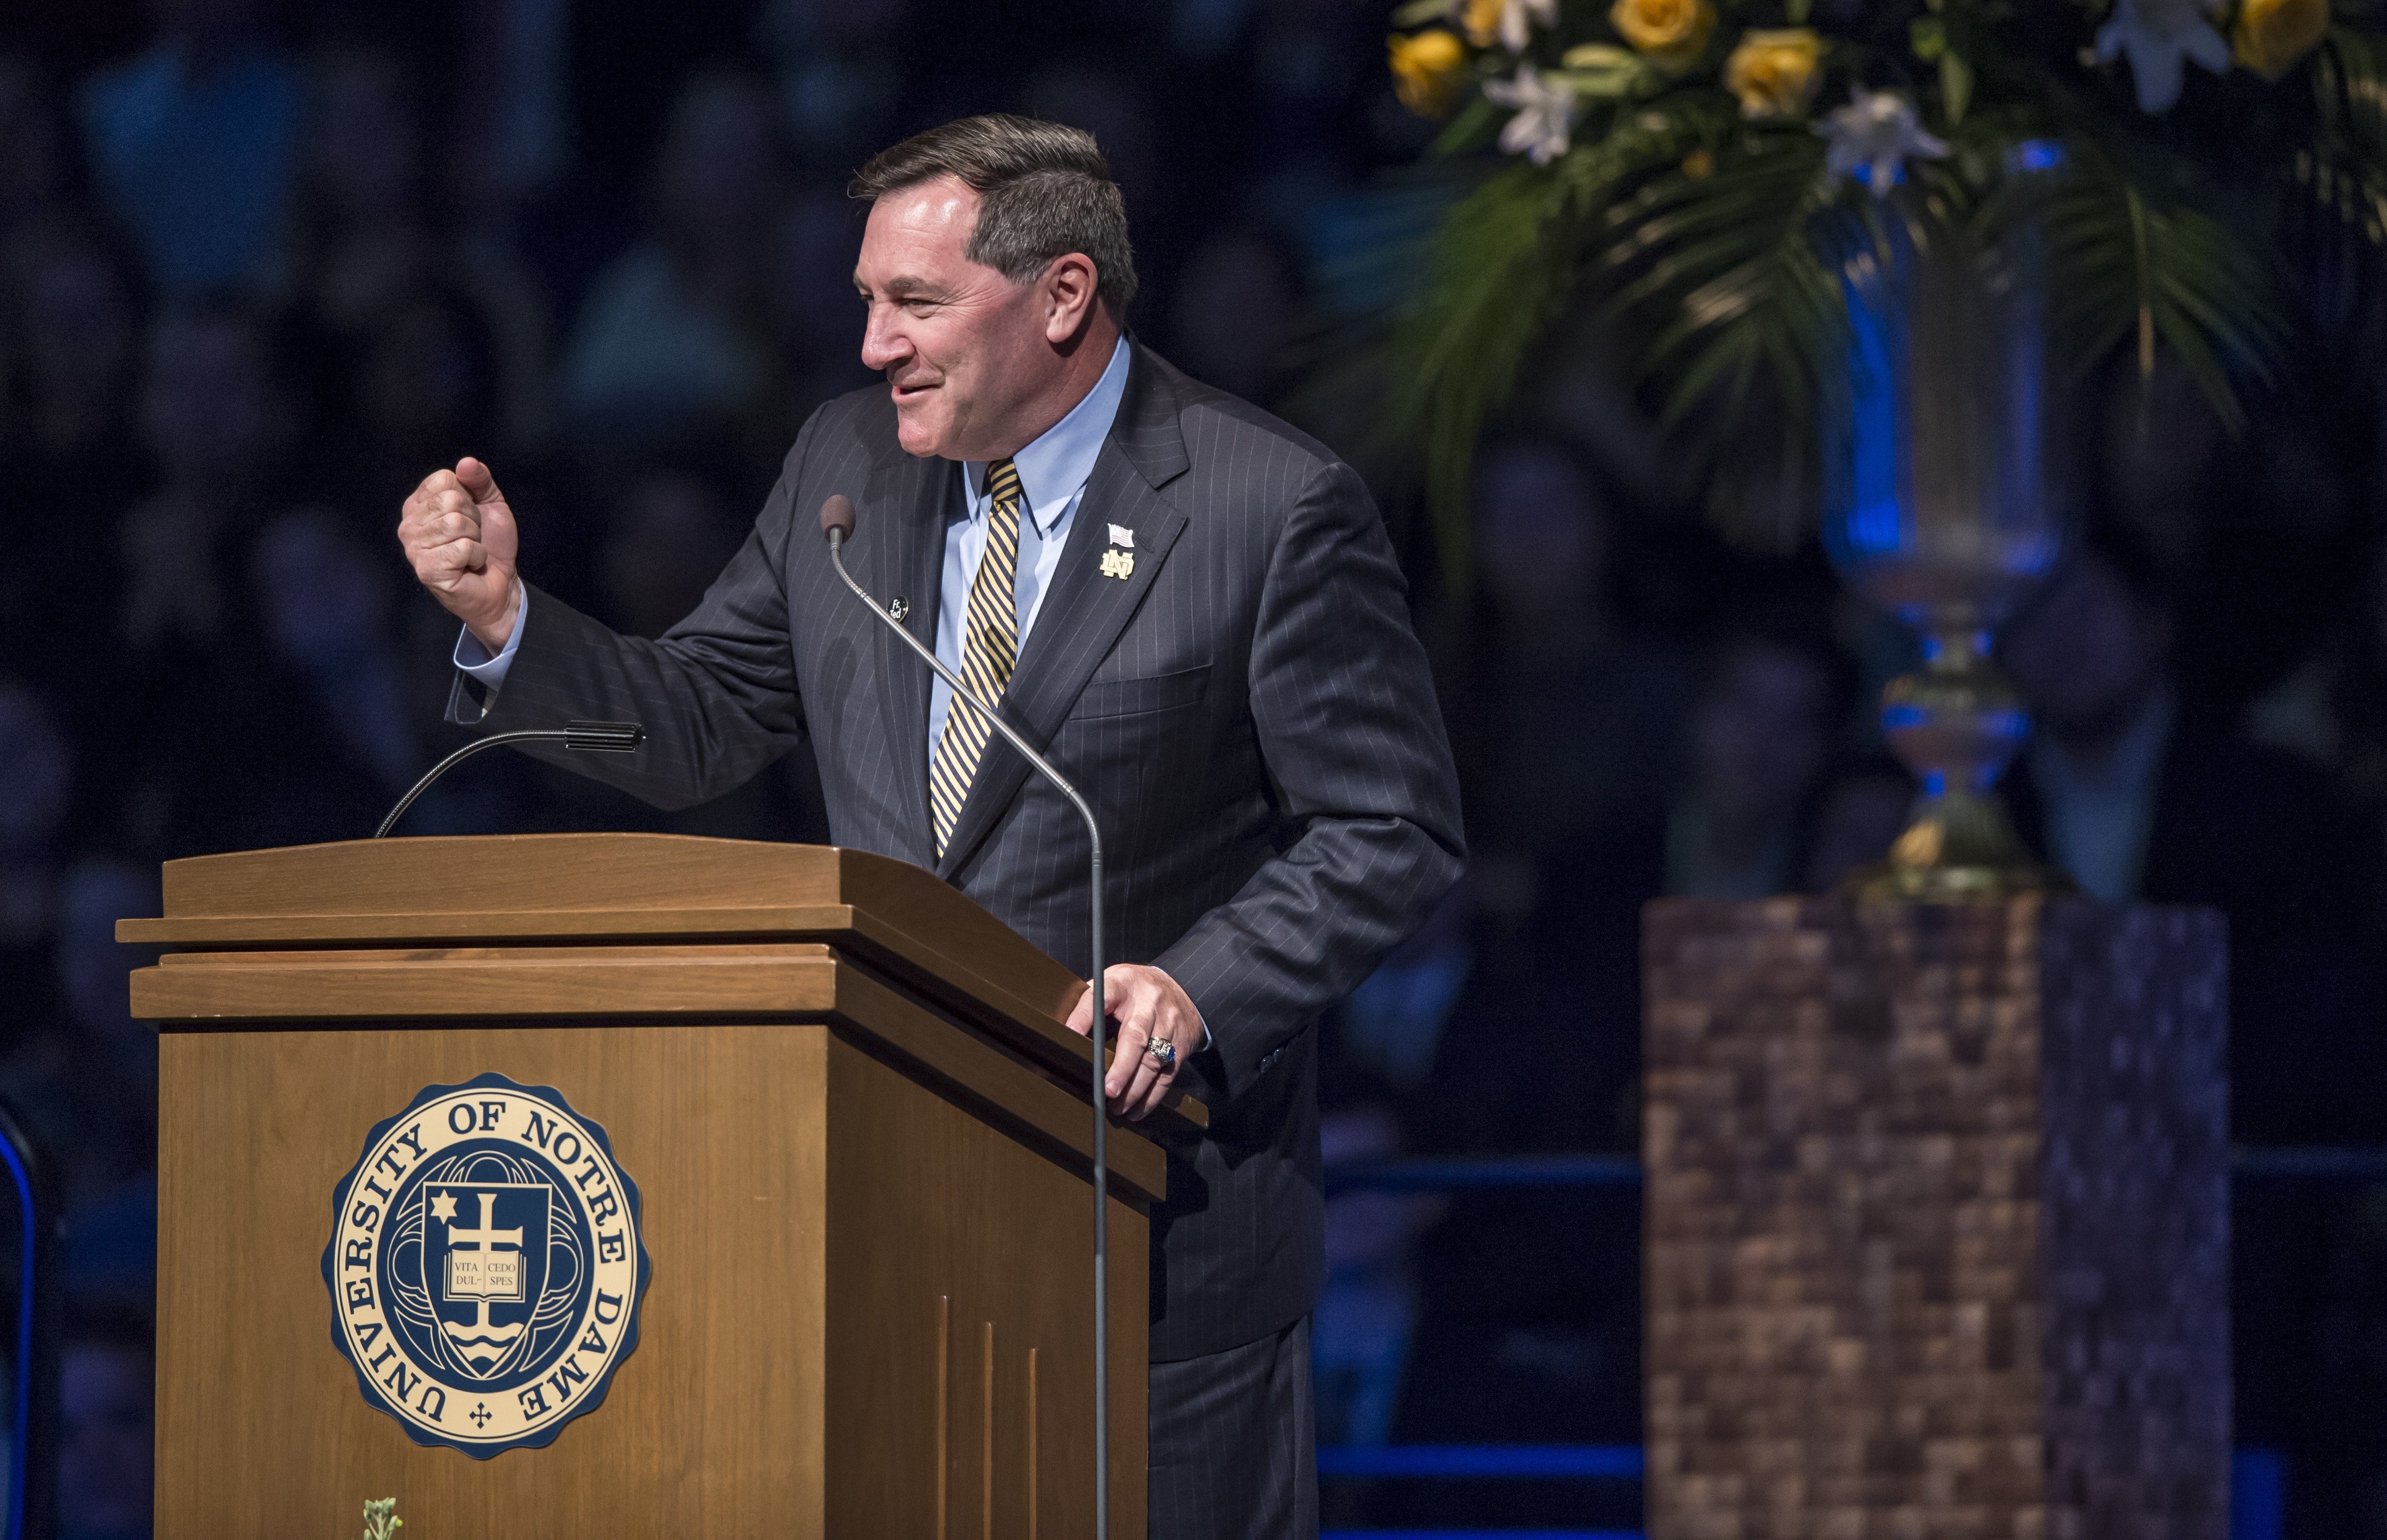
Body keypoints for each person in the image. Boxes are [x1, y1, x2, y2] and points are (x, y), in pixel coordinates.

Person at [395, 115, 1464, 1538]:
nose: (872, 346)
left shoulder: (1269, 506)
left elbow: (1390, 826)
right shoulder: (848, 466)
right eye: (864, 302)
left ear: (1063, 295)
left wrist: (1203, 984)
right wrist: (506, 625)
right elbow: (707, 712)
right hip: (888, 1221)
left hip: (1149, 1238)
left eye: (915, 304)